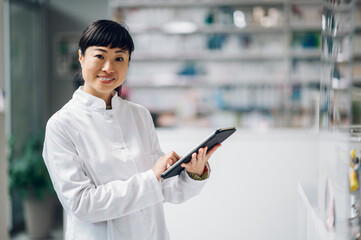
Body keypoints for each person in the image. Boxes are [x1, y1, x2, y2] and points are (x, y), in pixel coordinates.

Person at [42, 19, 221, 240]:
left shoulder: (140, 115)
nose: (109, 67)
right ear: (81, 57)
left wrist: (193, 174)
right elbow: (83, 204)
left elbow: (163, 189)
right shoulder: (61, 125)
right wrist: (151, 178)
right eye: (99, 56)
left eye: (119, 58)